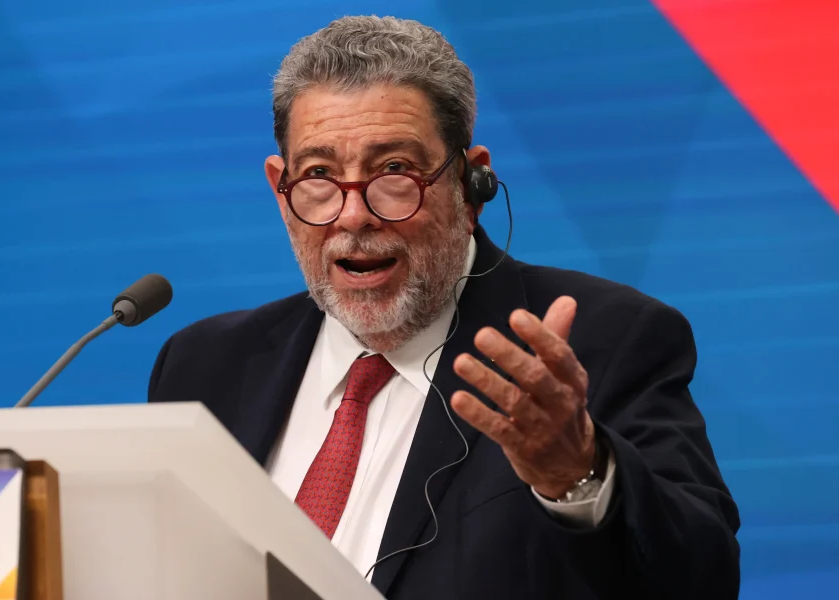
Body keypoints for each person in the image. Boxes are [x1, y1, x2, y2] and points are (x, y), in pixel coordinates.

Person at [148, 15, 741, 599]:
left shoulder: (600, 342)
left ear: (471, 184)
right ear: (281, 190)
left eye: (395, 171)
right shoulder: (205, 365)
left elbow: (702, 578)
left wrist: (578, 475)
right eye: (319, 175)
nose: (353, 215)